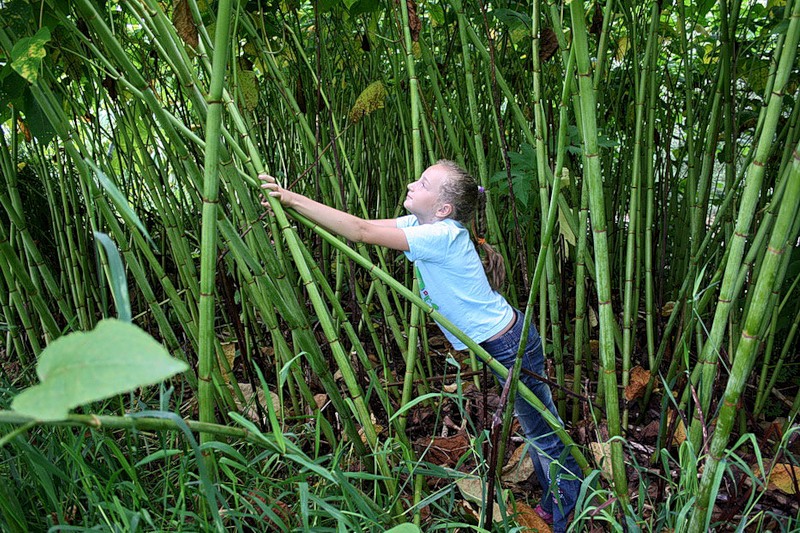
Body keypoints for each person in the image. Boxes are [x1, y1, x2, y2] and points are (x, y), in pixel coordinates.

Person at [260, 160, 583, 532]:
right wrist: (292, 206)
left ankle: (569, 512)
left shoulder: (442, 236)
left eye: (424, 183)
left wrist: (290, 197)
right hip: (500, 341)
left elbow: (361, 231)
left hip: (510, 344)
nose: (412, 184)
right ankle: (558, 500)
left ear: (443, 208)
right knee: (537, 427)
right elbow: (355, 225)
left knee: (543, 430)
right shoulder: (423, 224)